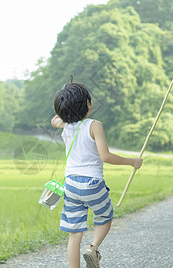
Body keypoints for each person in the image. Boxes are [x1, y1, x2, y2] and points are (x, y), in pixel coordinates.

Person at [51, 82, 143, 268]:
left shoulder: (65, 125)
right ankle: (92, 248)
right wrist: (132, 161)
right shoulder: (95, 125)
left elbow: (55, 120)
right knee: (105, 218)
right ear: (88, 104)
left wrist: (66, 106)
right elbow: (106, 156)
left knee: (74, 234)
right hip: (92, 184)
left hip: (71, 184)